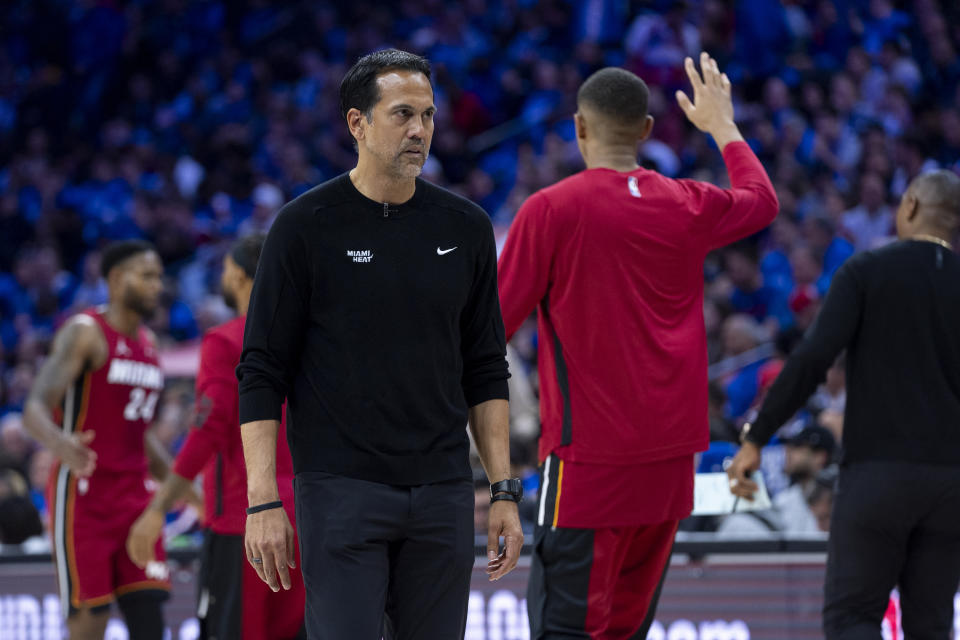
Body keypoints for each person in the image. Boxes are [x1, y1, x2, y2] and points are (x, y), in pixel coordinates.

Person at [235, 49, 522, 640]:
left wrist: (503, 490)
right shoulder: (304, 226)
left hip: (444, 491)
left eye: (428, 115)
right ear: (357, 123)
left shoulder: (465, 227)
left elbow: (487, 369)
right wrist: (263, 501)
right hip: (340, 491)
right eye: (401, 114)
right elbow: (261, 370)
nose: (419, 130)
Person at [497, 53, 778, 639]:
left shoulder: (550, 210)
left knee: (564, 629)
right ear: (647, 131)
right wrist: (722, 126)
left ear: (578, 127)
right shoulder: (688, 202)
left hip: (590, 464)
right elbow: (761, 199)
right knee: (624, 630)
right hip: (671, 464)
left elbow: (484, 331)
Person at [727, 169, 960, 638]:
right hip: (951, 483)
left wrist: (757, 436)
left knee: (852, 618)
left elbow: (812, 358)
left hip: (878, 472)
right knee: (932, 625)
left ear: (909, 206)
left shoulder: (866, 271)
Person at [125, 235, 306, 640]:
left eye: (225, 269)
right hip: (310, 518)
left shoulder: (225, 341)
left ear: (241, 278)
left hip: (247, 522)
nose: (222, 277)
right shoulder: (308, 339)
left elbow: (209, 429)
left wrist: (158, 508)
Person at [22, 240, 173, 640]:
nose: (158, 285)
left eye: (159, 276)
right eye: (147, 276)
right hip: (84, 498)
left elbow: (140, 436)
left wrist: (184, 486)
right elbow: (34, 406)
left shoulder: (150, 344)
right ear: (116, 280)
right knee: (90, 626)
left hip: (136, 500)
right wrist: (59, 443)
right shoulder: (85, 332)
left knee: (151, 621)